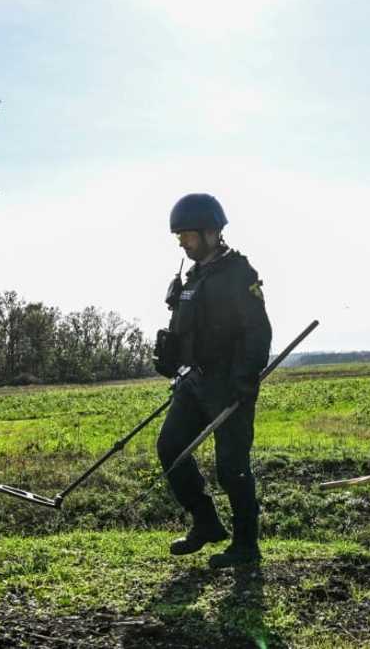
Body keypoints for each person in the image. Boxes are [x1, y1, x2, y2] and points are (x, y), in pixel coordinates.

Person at [153, 193, 272, 568]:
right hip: (191, 384)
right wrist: (171, 358)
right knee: (170, 448)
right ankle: (205, 522)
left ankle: (246, 546)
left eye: (187, 236)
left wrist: (245, 378)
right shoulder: (193, 278)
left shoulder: (239, 274)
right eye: (179, 237)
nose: (182, 243)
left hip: (229, 385)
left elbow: (258, 331)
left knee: (231, 466)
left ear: (210, 232)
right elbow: (186, 330)